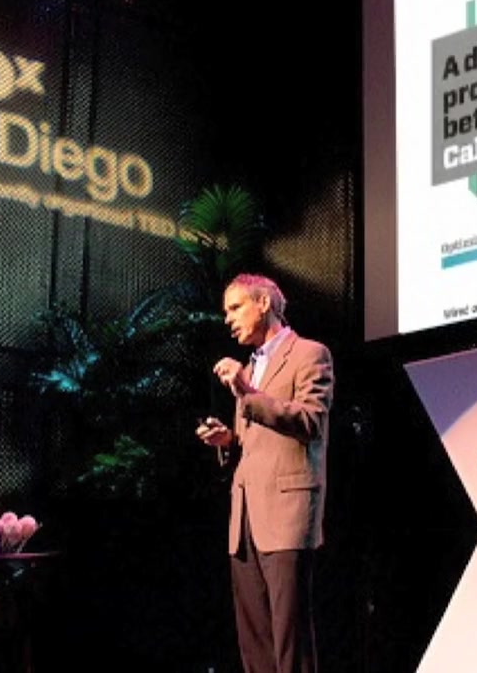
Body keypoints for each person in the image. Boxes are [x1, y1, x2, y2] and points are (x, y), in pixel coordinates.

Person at [196, 273, 335, 673]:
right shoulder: (251, 367)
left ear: (263, 303)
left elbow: (311, 421)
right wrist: (227, 441)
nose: (228, 318)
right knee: (254, 640)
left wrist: (246, 391)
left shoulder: (310, 353)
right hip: (245, 518)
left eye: (235, 307)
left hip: (287, 515)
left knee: (290, 638)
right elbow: (254, 442)